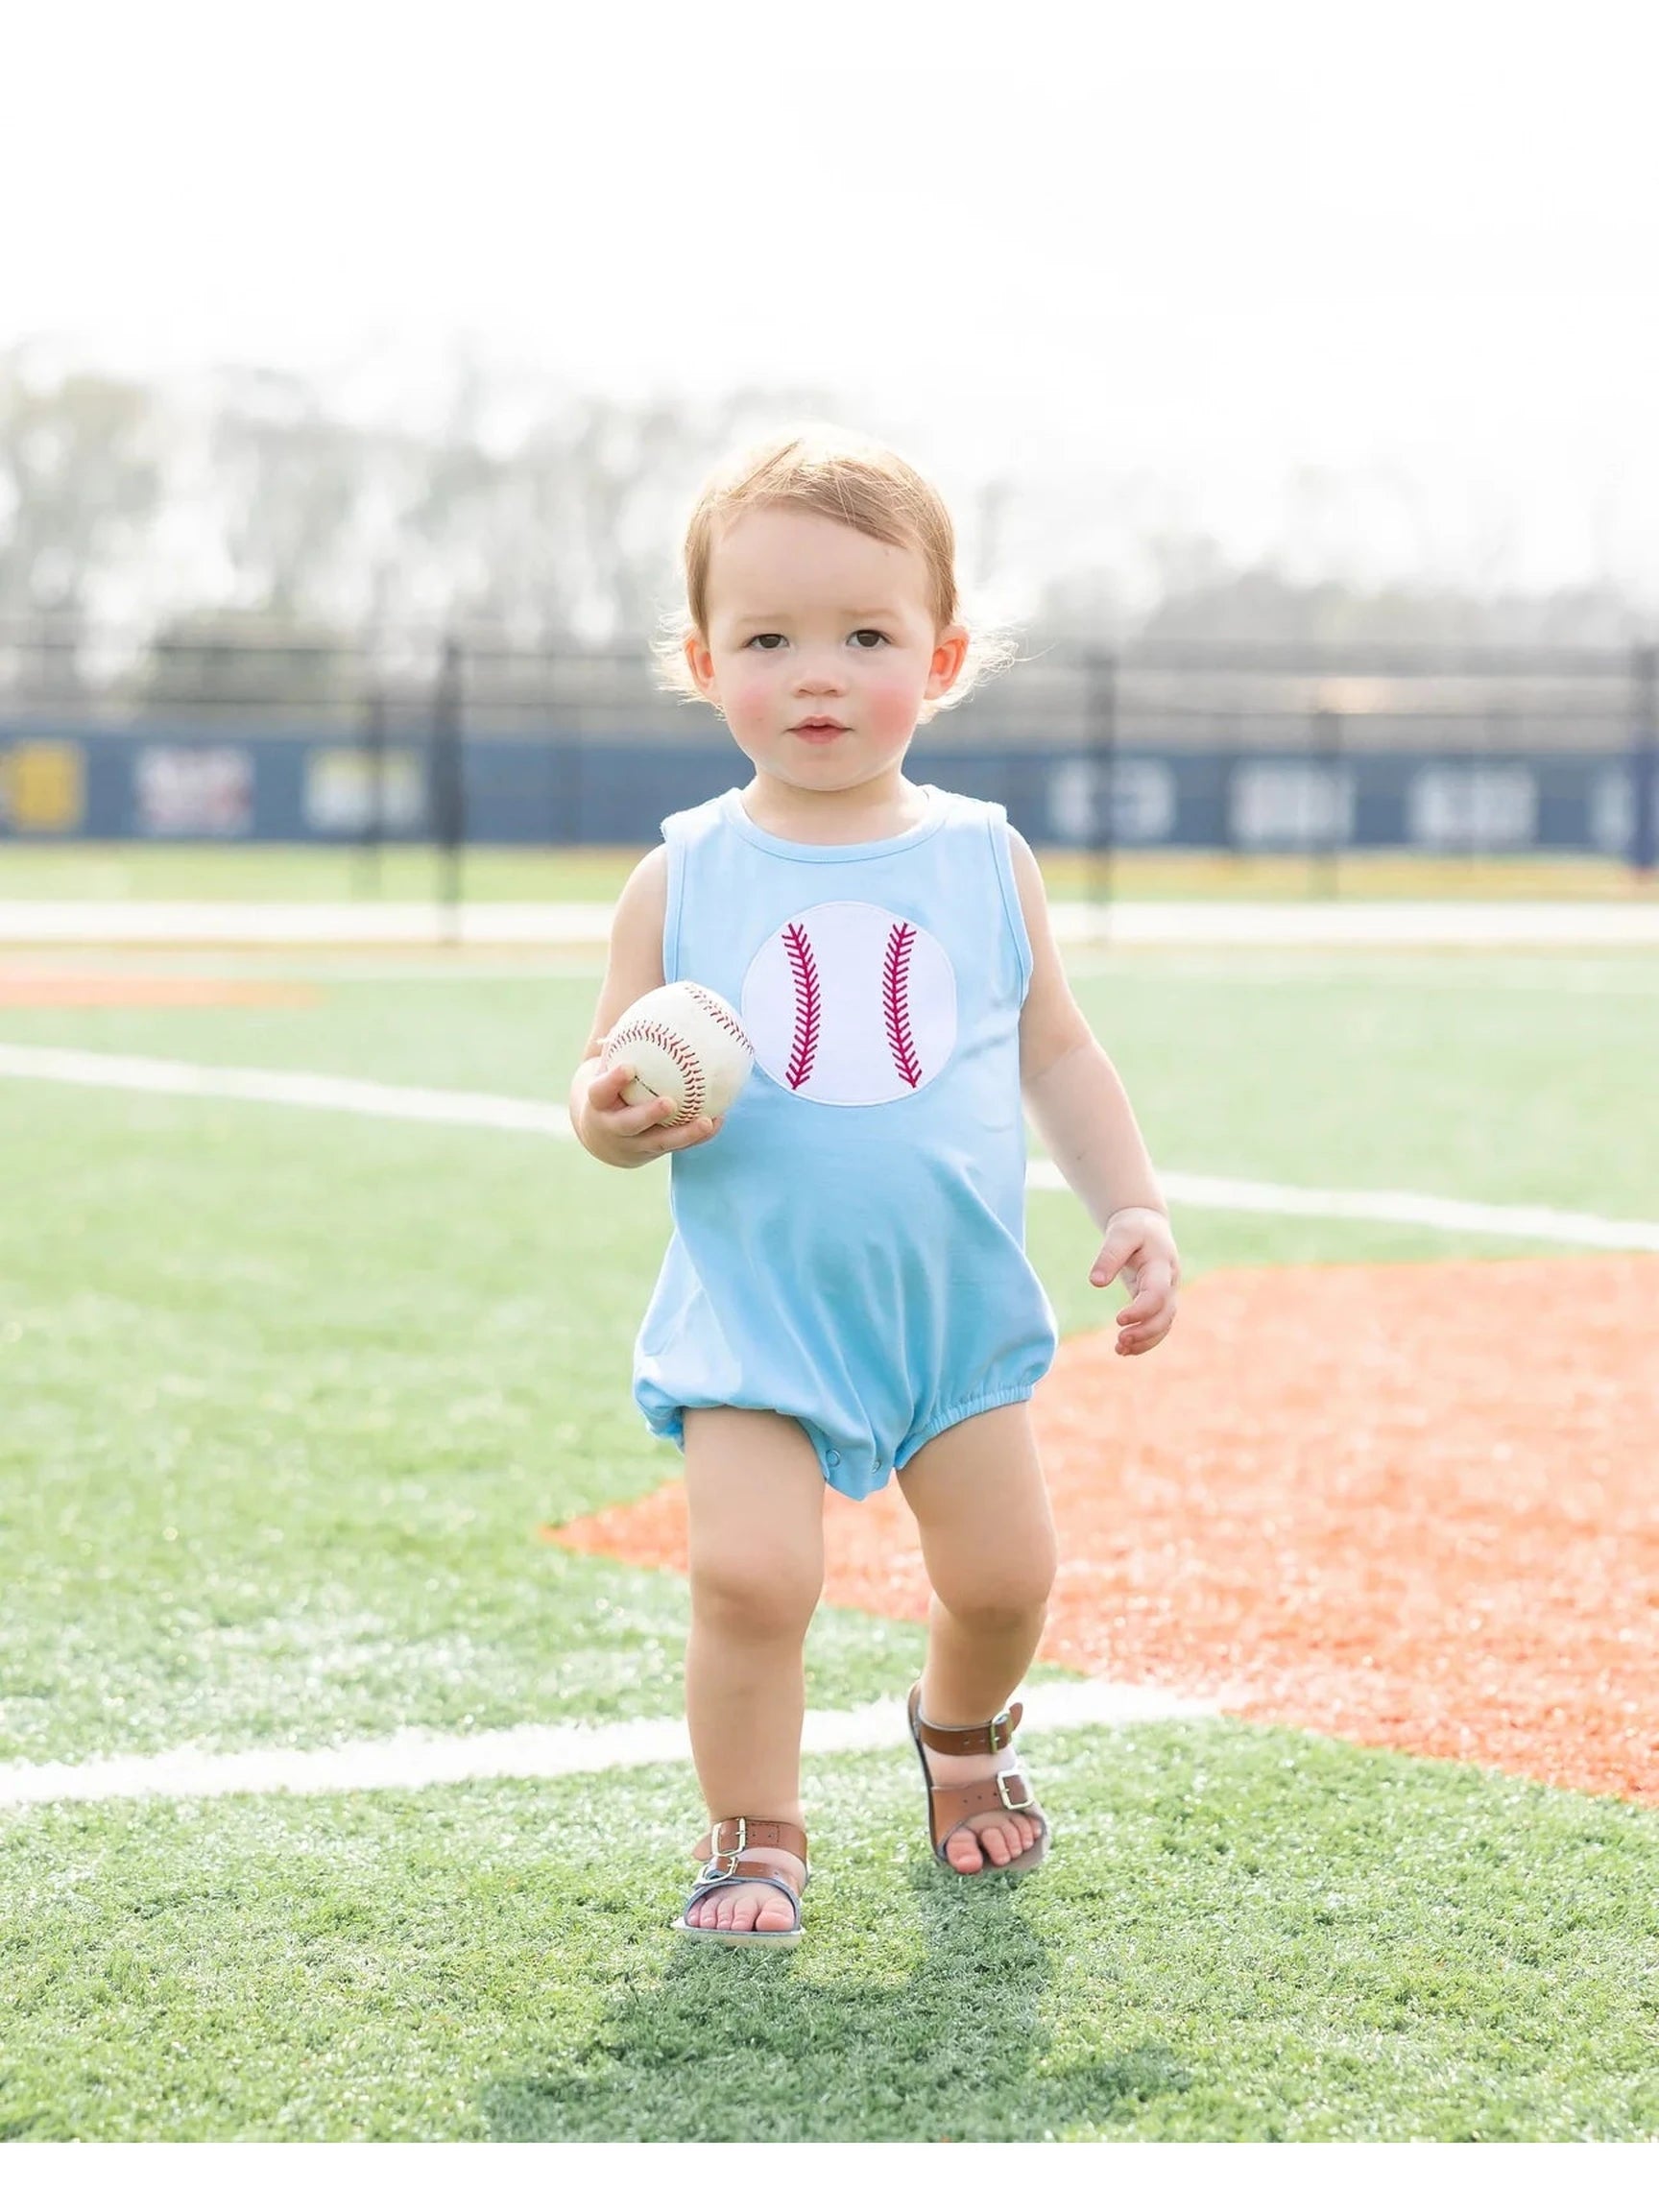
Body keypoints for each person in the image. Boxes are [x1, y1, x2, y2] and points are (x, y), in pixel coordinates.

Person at [568, 426, 1179, 1946]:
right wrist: (614, 1120)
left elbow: (1062, 1055)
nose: (817, 673)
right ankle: (753, 1835)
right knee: (749, 1579)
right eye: (769, 639)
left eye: (865, 636)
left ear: (944, 655)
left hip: (948, 1308)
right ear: (705, 662)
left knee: (1002, 1581)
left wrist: (1134, 1204)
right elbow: (602, 1087)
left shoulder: (983, 858)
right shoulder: (682, 875)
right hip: (755, 1312)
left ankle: (960, 1736)